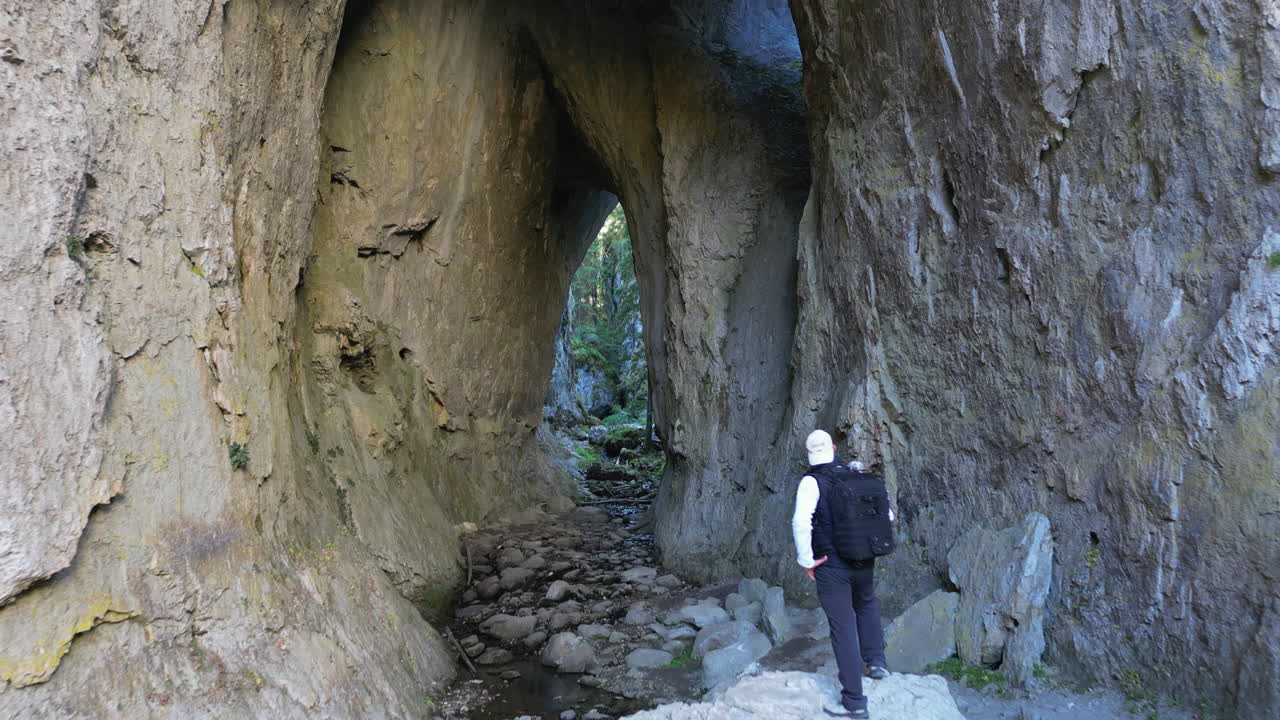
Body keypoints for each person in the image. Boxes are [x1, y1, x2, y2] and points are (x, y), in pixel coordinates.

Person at [792, 429, 889, 719]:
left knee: (842, 626)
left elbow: (801, 522)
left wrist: (807, 560)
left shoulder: (811, 481)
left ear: (809, 454)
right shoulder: (855, 476)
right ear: (834, 448)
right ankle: (877, 663)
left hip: (831, 565)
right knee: (866, 604)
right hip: (864, 558)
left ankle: (855, 702)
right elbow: (888, 515)